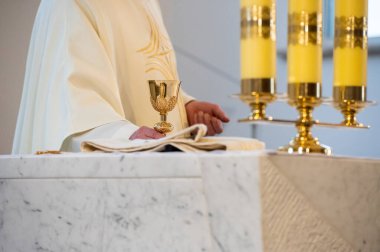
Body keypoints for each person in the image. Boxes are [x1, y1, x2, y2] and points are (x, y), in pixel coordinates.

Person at [12, 0, 229, 154]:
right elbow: (71, 102)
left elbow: (145, 73)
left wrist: (184, 107)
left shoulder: (146, 3)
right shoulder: (70, 4)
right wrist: (124, 137)